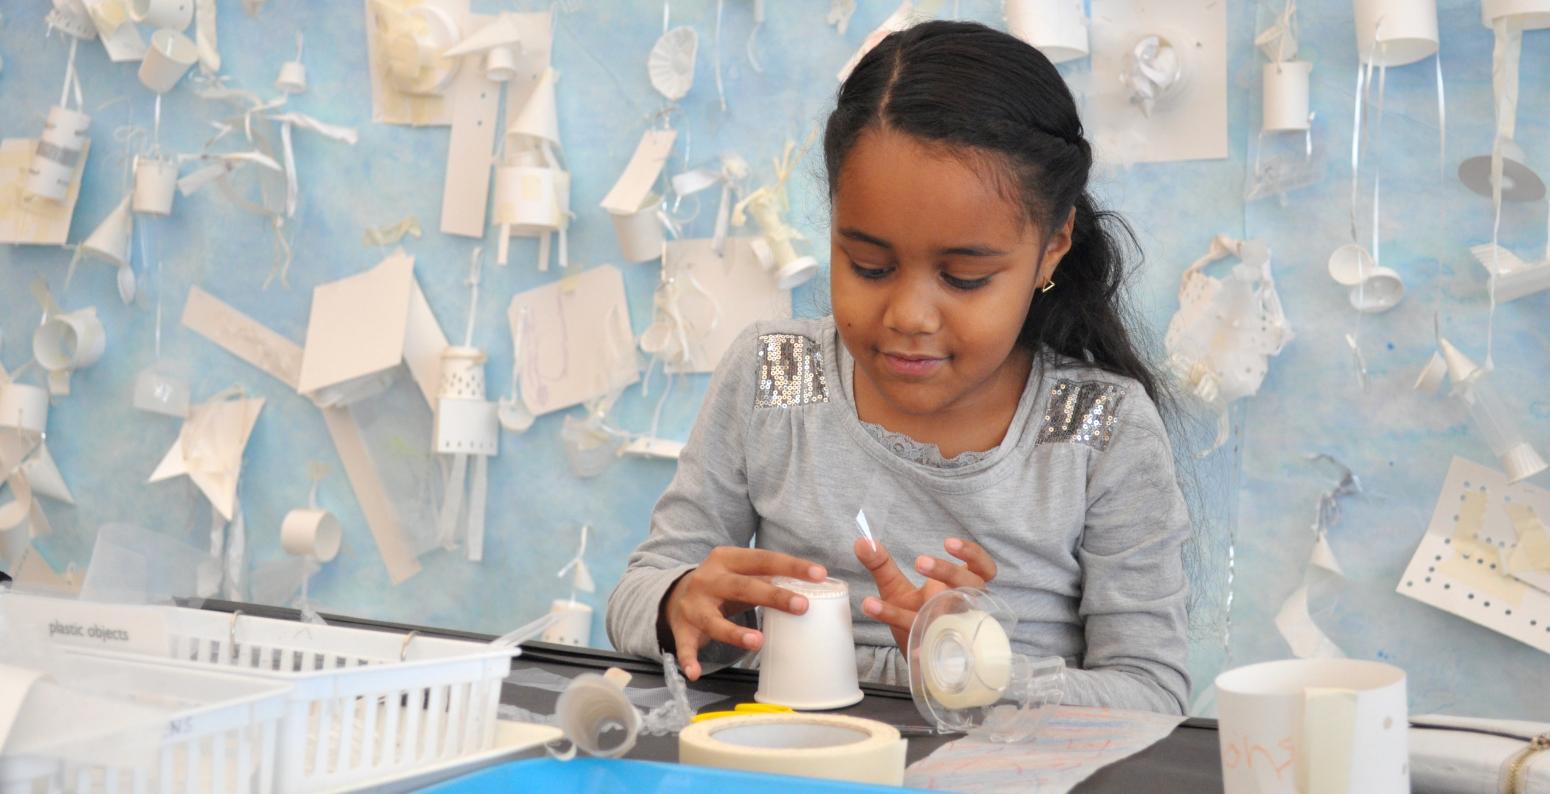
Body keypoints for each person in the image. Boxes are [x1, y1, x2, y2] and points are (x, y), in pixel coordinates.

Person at [606, 20, 1191, 714]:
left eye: (966, 277)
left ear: (1054, 245)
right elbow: (642, 591)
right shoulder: (772, 374)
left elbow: (1153, 694)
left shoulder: (1101, 430)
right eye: (869, 266)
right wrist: (689, 606)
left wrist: (976, 665)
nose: (909, 315)